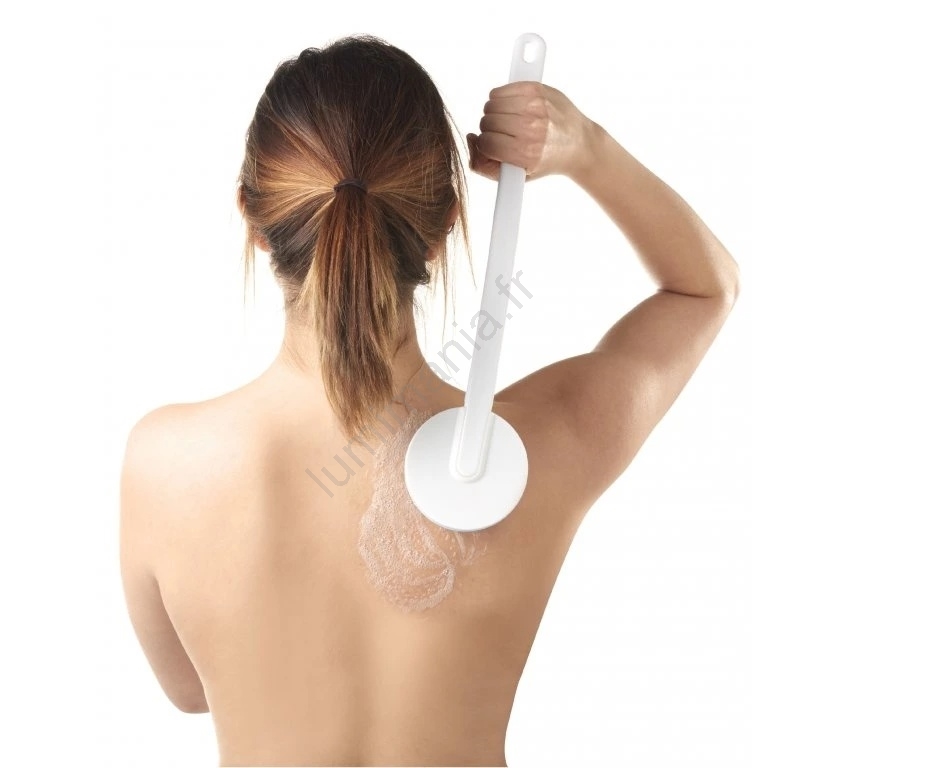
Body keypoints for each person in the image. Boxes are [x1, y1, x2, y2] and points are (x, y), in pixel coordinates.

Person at [119, 34, 740, 767]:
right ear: (446, 223)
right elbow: (705, 289)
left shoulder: (165, 465)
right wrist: (586, 149)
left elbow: (189, 691)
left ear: (253, 218)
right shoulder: (539, 448)